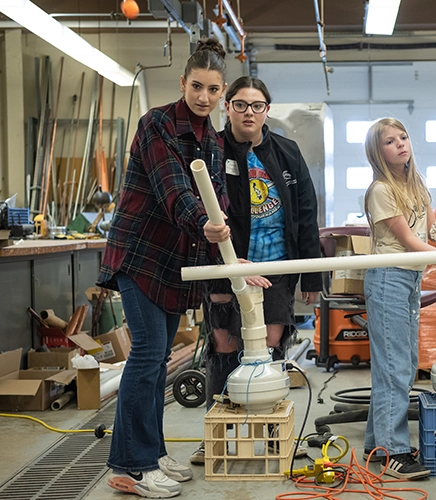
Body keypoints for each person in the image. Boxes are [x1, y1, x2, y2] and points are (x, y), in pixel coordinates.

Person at [97, 39, 231, 498]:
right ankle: (131, 466)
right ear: (183, 82)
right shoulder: (156, 124)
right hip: (140, 255)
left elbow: (220, 202)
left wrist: (232, 260)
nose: (204, 97)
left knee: (157, 364)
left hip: (175, 264)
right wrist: (206, 223)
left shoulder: (212, 139)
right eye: (197, 86)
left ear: (222, 91)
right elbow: (173, 189)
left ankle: (149, 453)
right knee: (149, 354)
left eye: (213, 90)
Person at [190, 76, 323, 465]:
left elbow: (305, 214)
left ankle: (271, 433)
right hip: (226, 265)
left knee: (268, 350)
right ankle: (217, 437)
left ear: (267, 110)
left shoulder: (287, 151)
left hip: (276, 268)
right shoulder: (210, 149)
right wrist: (221, 263)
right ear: (227, 106)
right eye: (241, 104)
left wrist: (312, 276)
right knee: (225, 348)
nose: (250, 112)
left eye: (258, 105)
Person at [360, 118, 436, 480]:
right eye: (390, 141)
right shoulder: (381, 190)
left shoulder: (416, 184)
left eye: (403, 137)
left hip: (409, 279)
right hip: (388, 277)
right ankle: (394, 453)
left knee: (403, 360)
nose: (400, 144)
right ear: (379, 151)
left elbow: (430, 228)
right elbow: (408, 241)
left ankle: (377, 444)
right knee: (395, 366)